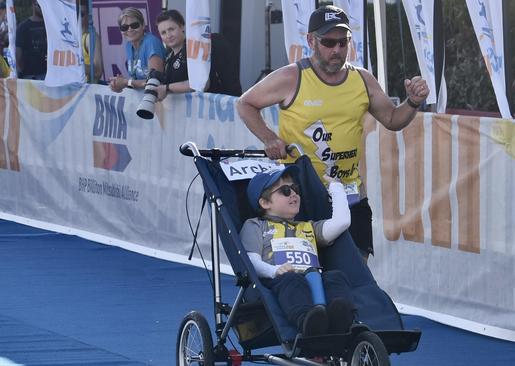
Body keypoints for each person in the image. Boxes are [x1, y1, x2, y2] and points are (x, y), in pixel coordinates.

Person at [236, 5, 429, 262]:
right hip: (302, 196)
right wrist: (269, 138)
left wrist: (413, 102)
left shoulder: (362, 79)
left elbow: (393, 119)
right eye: (328, 42)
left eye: (343, 42)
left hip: (350, 195)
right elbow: (245, 103)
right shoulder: (292, 77)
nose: (336, 50)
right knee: (308, 274)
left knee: (357, 274)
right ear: (311, 41)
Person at [240, 166, 356, 336]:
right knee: (292, 281)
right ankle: (308, 322)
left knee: (336, 277)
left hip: (314, 277)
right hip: (280, 280)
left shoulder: (309, 226)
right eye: (285, 191)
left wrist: (336, 187)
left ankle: (341, 317)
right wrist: (274, 271)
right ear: (265, 203)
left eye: (295, 189)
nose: (293, 194)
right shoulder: (256, 225)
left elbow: (342, 222)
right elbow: (250, 260)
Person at [154, 9, 241, 101]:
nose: (168, 35)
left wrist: (167, 88)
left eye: (171, 29)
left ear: (182, 27)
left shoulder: (194, 48)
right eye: (163, 33)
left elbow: (202, 83)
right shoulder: (168, 56)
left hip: (208, 110)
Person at [109, 7, 164, 92]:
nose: (130, 29)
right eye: (124, 27)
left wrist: (126, 82)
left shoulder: (151, 43)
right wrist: (120, 84)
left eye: (134, 25)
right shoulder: (129, 45)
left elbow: (155, 82)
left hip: (159, 101)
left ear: (143, 25)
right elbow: (135, 80)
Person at [16, 0, 46, 80]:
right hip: (30, 76)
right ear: (33, 4)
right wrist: (21, 73)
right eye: (39, 5)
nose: (42, 7)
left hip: (48, 75)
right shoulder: (23, 27)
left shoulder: (50, 25)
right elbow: (18, 54)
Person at [79, 3, 103, 83]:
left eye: (81, 14)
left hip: (87, 90)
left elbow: (98, 71)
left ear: (88, 16)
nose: (78, 17)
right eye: (75, 13)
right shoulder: (67, 37)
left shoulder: (90, 37)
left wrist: (73, 66)